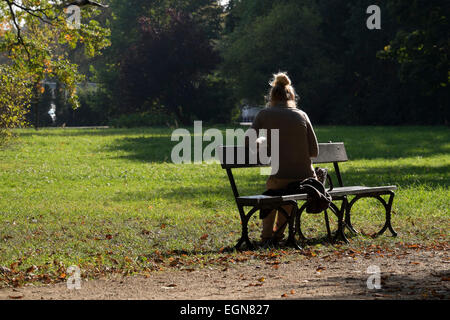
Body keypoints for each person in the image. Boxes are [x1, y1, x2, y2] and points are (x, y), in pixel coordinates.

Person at [248, 72, 319, 246]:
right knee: (288, 190)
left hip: (280, 178)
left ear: (271, 96)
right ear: (291, 95)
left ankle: (266, 237)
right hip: (306, 179)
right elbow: (314, 151)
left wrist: (262, 142)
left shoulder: (264, 114)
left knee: (275, 189)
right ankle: (278, 235)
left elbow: (249, 142)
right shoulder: (302, 115)